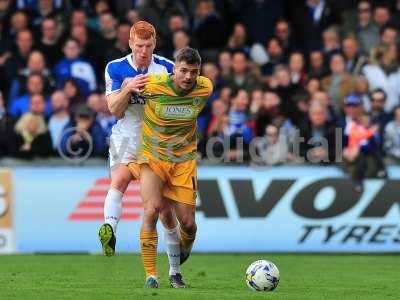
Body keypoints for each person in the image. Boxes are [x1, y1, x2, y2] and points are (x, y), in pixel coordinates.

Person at [99, 21, 185, 288]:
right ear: (130, 44)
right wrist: (128, 88)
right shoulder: (115, 68)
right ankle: (109, 230)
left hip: (156, 145)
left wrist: (158, 95)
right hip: (125, 137)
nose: (144, 51)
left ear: (155, 44)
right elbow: (113, 109)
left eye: (148, 46)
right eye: (139, 46)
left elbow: (180, 108)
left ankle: (174, 271)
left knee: (164, 210)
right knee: (119, 180)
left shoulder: (168, 68)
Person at [134, 47, 212, 288]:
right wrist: (125, 88)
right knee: (152, 210)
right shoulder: (152, 85)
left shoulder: (205, 87)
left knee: (188, 224)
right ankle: (151, 275)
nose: (188, 77)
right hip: (153, 157)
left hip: (183, 161)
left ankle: (181, 254)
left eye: (193, 72)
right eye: (183, 71)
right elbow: (119, 98)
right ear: (174, 69)